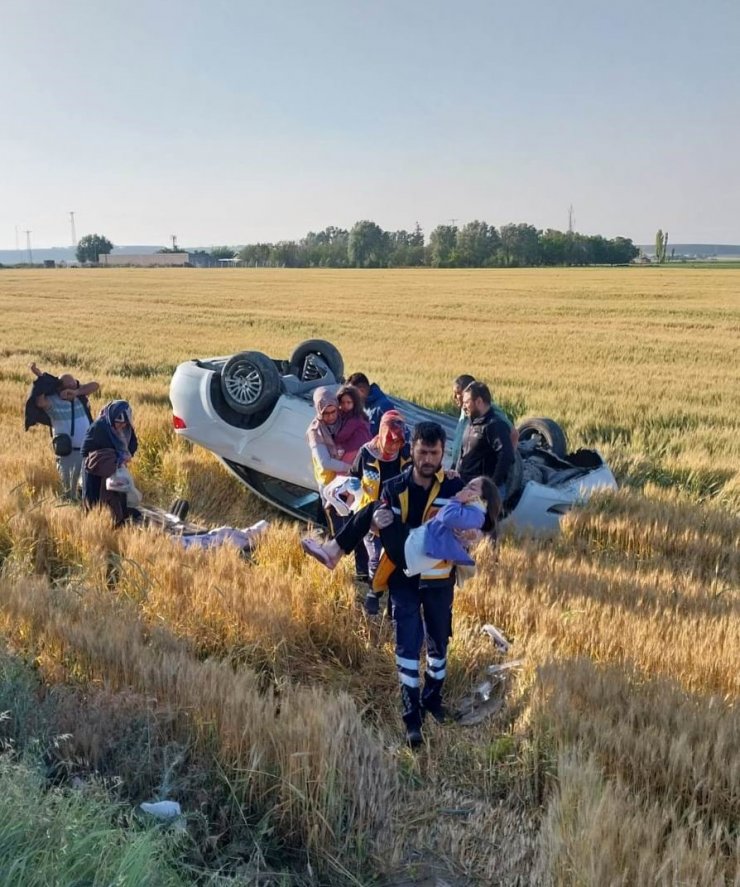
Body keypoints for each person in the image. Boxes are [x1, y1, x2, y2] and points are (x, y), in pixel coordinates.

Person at [303, 421, 465, 747]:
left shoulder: (452, 487)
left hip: (437, 580)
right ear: (413, 450)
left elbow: (478, 511)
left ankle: (432, 701)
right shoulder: (393, 486)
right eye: (423, 452)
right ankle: (411, 718)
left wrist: (471, 525)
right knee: (407, 646)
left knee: (438, 648)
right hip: (404, 573)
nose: (428, 459)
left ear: (442, 454)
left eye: (434, 453)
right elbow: (388, 541)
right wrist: (378, 525)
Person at [349, 409, 410, 614]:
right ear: (383, 433)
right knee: (375, 557)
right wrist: (353, 489)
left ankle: (393, 600)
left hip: (397, 515)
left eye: (398, 442)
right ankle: (374, 593)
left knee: (394, 558)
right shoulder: (367, 452)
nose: (394, 445)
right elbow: (353, 476)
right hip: (371, 514)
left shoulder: (405, 452)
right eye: (391, 440)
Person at [306, 386, 368, 579]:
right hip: (330, 485)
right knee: (342, 527)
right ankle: (340, 568)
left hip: (349, 482)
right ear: (319, 411)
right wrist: (350, 467)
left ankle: (361, 571)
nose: (332, 416)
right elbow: (324, 462)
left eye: (334, 411)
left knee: (357, 523)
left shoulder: (346, 420)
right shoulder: (315, 431)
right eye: (326, 413)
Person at [28, 362, 99, 500]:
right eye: (68, 387)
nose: (71, 390)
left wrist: (77, 391)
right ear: (59, 388)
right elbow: (40, 402)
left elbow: (95, 385)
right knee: (69, 493)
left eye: (74, 386)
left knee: (88, 492)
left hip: (87, 454)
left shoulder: (80, 399)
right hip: (68, 455)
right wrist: (41, 377)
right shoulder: (53, 402)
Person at [459, 381, 517, 503]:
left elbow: (506, 455)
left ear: (479, 401)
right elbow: (464, 452)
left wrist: (491, 486)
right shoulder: (471, 423)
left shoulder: (495, 425)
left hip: (484, 493)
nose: (463, 407)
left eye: (466, 402)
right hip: (467, 487)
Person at [81, 400, 138, 524]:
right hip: (95, 471)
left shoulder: (127, 429)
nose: (120, 427)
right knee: (93, 501)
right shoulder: (99, 427)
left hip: (116, 469)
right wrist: (108, 457)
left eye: (123, 424)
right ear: (111, 418)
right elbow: (84, 450)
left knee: (117, 497)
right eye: (118, 423)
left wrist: (126, 456)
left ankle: (116, 522)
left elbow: (133, 444)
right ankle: (93, 526)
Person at [334, 384, 372, 464]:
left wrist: (330, 435)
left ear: (355, 403)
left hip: (354, 450)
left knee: (342, 473)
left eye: (349, 402)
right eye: (342, 402)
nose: (345, 405)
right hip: (358, 449)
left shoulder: (355, 419)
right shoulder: (349, 415)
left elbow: (341, 436)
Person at [449, 374, 476, 470]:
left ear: (468, 393)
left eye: (457, 393)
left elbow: (513, 434)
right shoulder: (464, 411)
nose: (454, 397)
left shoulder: (486, 412)